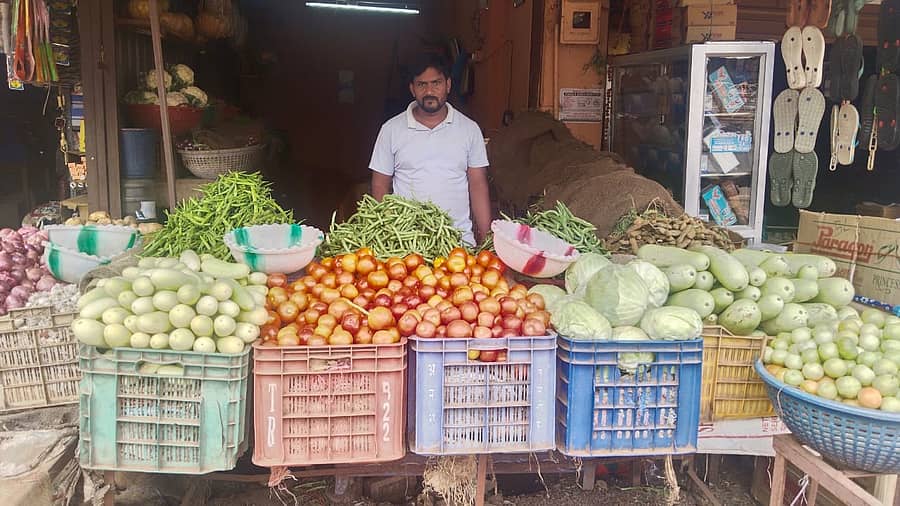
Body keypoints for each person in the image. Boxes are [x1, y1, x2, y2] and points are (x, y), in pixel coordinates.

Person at [368, 53, 491, 246]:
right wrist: (384, 233)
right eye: (421, 84)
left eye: (436, 83)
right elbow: (380, 185)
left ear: (448, 85)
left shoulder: (469, 129)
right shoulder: (391, 130)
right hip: (406, 245)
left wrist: (486, 239)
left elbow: (477, 185)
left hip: (458, 243)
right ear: (412, 89)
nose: (429, 91)